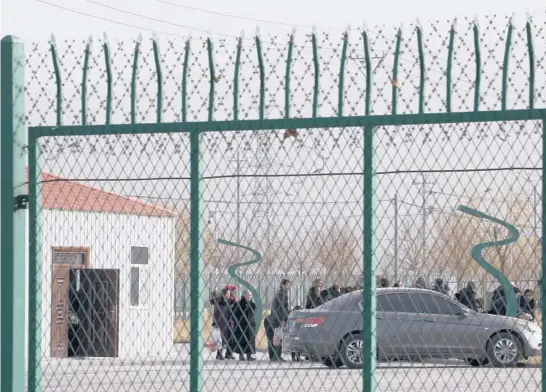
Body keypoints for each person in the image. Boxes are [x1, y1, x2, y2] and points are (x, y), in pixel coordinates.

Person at [264, 279, 291, 362]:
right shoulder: (281, 294)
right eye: (287, 285)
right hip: (275, 320)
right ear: (282, 285)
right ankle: (276, 356)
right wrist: (282, 320)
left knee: (273, 338)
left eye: (289, 285)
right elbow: (281, 308)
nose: (288, 287)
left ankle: (273, 356)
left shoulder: (281, 293)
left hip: (271, 319)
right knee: (277, 338)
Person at [232, 290, 257, 361]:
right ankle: (241, 355)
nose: (250, 297)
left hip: (250, 326)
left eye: (251, 295)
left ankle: (249, 355)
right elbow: (234, 314)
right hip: (241, 326)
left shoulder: (252, 304)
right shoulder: (239, 304)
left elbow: (253, 315)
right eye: (248, 295)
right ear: (244, 295)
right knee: (241, 340)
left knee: (250, 340)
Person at [212, 288, 236, 360]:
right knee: (221, 340)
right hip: (221, 324)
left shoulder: (231, 302)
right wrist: (215, 323)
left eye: (229, 294)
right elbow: (216, 313)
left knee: (230, 339)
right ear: (223, 294)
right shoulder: (219, 303)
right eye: (227, 294)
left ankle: (228, 354)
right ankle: (219, 354)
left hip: (230, 323)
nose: (228, 295)